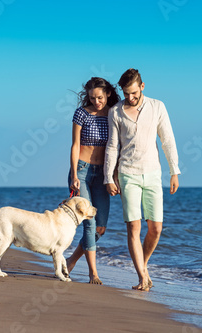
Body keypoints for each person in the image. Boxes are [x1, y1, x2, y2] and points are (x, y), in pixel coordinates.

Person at [104, 68, 180, 291]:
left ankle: (142, 265)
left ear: (142, 86)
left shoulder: (157, 107)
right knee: (134, 227)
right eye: (127, 93)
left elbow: (167, 140)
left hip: (153, 174)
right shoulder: (116, 112)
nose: (130, 98)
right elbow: (112, 146)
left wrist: (174, 171)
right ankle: (141, 277)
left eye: (134, 93)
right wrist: (109, 177)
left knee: (156, 228)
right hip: (128, 173)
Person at [66, 77, 121, 284]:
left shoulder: (114, 113)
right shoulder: (81, 113)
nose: (96, 101)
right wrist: (73, 174)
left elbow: (118, 147)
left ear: (107, 94)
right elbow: (74, 145)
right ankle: (93, 273)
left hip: (103, 175)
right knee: (89, 224)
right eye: (92, 98)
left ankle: (70, 261)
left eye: (99, 97)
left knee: (100, 227)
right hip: (81, 170)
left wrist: (114, 176)